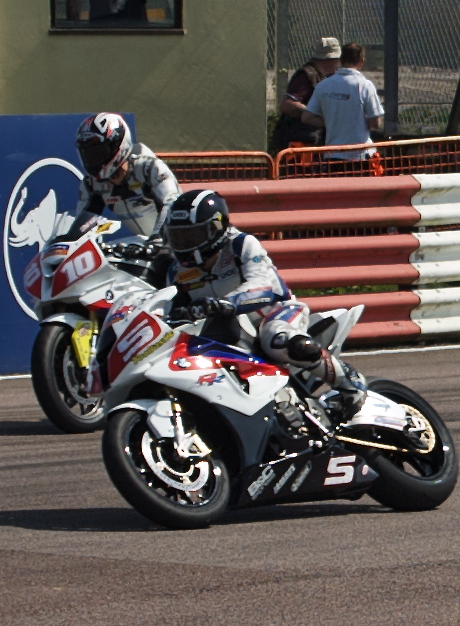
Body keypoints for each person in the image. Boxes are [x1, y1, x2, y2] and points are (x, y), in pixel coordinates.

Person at [162, 190, 365, 416]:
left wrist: (226, 303)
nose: (185, 244)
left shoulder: (241, 245)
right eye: (179, 237)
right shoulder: (176, 271)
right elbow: (171, 307)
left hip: (275, 312)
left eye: (192, 236)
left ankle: (349, 383)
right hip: (225, 330)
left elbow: (261, 286)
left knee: (278, 340)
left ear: (216, 229)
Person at [72, 112, 179, 242]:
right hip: (140, 245)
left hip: (173, 244)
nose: (93, 160)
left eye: (98, 152)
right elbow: (82, 226)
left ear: (118, 146)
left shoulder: (149, 169)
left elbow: (172, 204)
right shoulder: (91, 184)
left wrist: (158, 238)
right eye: (88, 154)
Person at [303, 42, 385, 162]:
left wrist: (330, 121)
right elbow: (376, 123)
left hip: (332, 155)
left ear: (341, 60)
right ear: (361, 61)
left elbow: (307, 117)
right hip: (360, 155)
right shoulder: (365, 85)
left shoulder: (323, 85)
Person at [273, 38, 341, 152]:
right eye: (338, 59)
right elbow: (288, 105)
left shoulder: (326, 76)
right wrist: (314, 115)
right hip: (303, 144)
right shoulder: (306, 75)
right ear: (331, 59)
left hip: (316, 141)